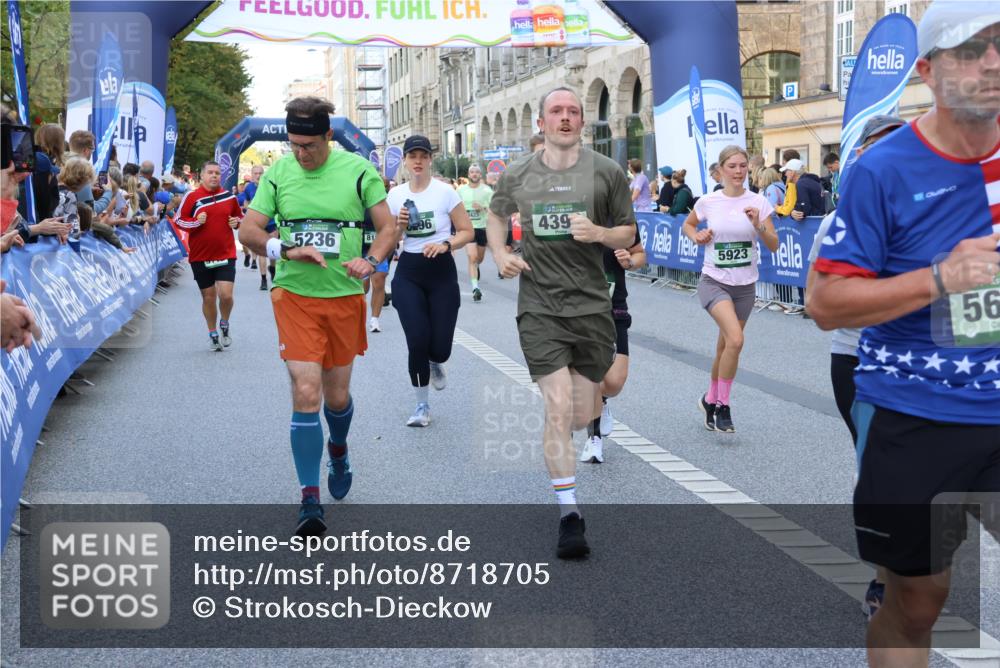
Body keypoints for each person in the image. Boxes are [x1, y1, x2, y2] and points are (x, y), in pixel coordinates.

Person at [809, 5, 1000, 665]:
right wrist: (938, 279)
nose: (994, 62)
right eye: (972, 49)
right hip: (918, 416)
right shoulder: (881, 170)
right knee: (918, 603)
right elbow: (826, 302)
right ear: (926, 69)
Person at [487, 87, 637, 559]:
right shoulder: (518, 174)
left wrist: (598, 233)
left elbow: (628, 233)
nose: (566, 118)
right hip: (540, 308)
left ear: (583, 121)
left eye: (574, 111)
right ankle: (569, 513)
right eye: (557, 111)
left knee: (578, 413)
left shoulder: (607, 172)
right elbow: (494, 217)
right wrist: (499, 253)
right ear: (542, 121)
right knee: (557, 409)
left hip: (592, 307)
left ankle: (591, 419)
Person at [239, 96, 396, 536]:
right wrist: (285, 249)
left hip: (344, 295)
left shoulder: (358, 171)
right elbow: (249, 230)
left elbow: (386, 228)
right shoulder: (278, 173)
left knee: (336, 398)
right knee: (305, 389)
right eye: (294, 145)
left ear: (328, 136)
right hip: (294, 294)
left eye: (309, 145)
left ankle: (339, 448)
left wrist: (372, 260)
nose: (301, 154)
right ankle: (310, 498)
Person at [805, 114, 905, 623]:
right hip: (859, 360)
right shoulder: (835, 223)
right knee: (882, 467)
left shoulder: (940, 216)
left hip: (927, 363)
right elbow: (815, 305)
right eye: (879, 151)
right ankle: (885, 578)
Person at [684, 145, 779, 433]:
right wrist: (698, 235)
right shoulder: (709, 201)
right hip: (714, 281)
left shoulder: (758, 202)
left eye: (742, 166)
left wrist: (757, 225)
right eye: (732, 166)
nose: (738, 172)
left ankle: (709, 398)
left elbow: (773, 244)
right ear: (721, 170)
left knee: (725, 346)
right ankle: (723, 405)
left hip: (745, 286)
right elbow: (688, 226)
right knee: (736, 340)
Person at [386, 135, 474, 427]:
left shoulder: (445, 192)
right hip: (409, 272)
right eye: (413, 156)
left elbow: (466, 231)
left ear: (430, 159)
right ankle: (421, 406)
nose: (419, 161)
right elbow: (390, 241)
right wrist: (398, 228)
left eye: (423, 156)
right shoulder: (395, 196)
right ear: (406, 161)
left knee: (440, 348)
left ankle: (437, 361)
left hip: (441, 272)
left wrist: (446, 244)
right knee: (417, 340)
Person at [579, 219, 646, 464]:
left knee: (615, 382)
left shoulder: (621, 221)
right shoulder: (571, 214)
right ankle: (593, 438)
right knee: (591, 375)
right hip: (580, 309)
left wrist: (629, 261)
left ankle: (603, 400)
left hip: (614, 307)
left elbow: (640, 255)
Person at [175, 161, 243, 351]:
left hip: (225, 253)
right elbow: (179, 220)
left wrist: (235, 222)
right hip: (200, 256)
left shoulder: (229, 197)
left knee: (226, 295)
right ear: (202, 176)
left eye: (217, 173)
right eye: (210, 173)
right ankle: (213, 333)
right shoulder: (192, 197)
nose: (214, 176)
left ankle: (225, 323)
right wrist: (196, 222)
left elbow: (240, 218)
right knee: (209, 297)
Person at [456, 163, 493, 303]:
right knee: (472, 257)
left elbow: (495, 211)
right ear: (468, 175)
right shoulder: (460, 190)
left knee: (479, 259)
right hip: (468, 228)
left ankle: (476, 268)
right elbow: (455, 208)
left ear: (480, 175)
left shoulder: (487, 191)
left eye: (477, 172)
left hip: (482, 228)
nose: (474, 174)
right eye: (472, 172)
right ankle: (475, 288)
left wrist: (483, 208)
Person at [362, 176, 392, 330]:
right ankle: (359, 315)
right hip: (361, 247)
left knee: (379, 281)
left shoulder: (388, 201)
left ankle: (374, 320)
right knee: (363, 285)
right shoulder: (361, 198)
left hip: (379, 246)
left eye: (385, 185)